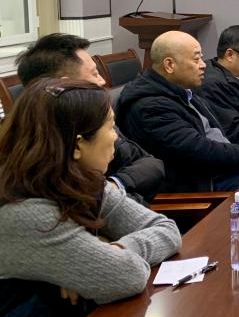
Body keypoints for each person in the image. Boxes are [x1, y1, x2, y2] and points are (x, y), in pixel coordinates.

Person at [0, 80, 181, 317]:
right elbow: (125, 277)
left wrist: (108, 248)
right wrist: (96, 259)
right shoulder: (25, 213)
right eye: (110, 127)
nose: (117, 138)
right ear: (77, 144)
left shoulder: (82, 182)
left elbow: (166, 229)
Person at [15, 33, 165, 203]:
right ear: (65, 85)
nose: (102, 81)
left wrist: (115, 185)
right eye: (95, 74)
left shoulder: (96, 120)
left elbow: (150, 165)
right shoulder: (32, 152)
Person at [117, 31, 239, 192]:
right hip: (201, 187)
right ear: (169, 65)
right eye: (196, 59)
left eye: (201, 58)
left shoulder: (180, 89)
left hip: (221, 171)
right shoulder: (150, 106)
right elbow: (198, 150)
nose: (203, 65)